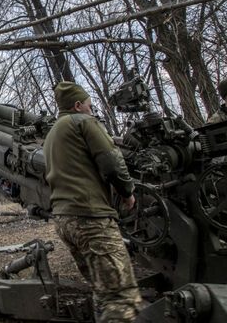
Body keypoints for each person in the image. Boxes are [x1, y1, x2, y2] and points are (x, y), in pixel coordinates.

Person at [43, 82, 141, 322]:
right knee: (121, 298)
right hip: (91, 219)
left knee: (102, 290)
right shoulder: (84, 122)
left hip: (65, 221)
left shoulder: (52, 134)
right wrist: (127, 192)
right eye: (89, 105)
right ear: (78, 105)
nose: (91, 109)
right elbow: (112, 162)